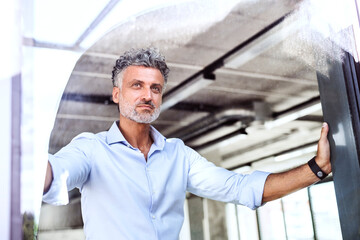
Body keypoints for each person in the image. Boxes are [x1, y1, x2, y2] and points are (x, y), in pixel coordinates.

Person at [43, 47, 331, 239]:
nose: (148, 95)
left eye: (155, 88)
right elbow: (56, 173)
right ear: (117, 94)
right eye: (137, 85)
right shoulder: (92, 149)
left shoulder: (178, 155)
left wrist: (316, 168)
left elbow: (240, 188)